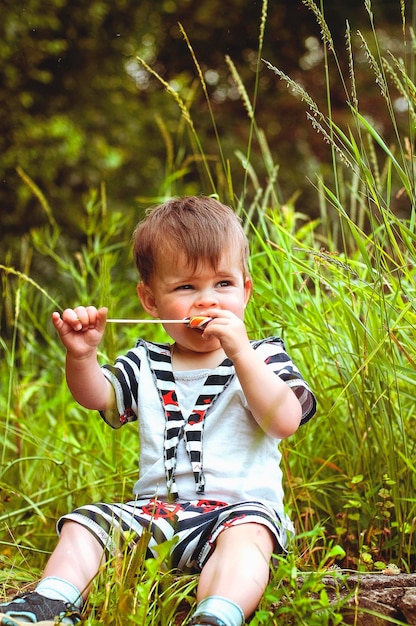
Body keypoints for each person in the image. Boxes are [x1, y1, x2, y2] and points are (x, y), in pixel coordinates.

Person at [0, 196, 316, 626]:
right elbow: (99, 396)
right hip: (156, 515)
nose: (207, 301)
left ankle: (218, 614)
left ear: (245, 290)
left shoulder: (263, 357)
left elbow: (285, 421)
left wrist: (241, 353)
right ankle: (49, 604)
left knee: (249, 537)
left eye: (222, 284)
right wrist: (81, 357)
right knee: (85, 522)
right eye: (186, 287)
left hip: (236, 514)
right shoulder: (144, 362)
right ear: (150, 301)